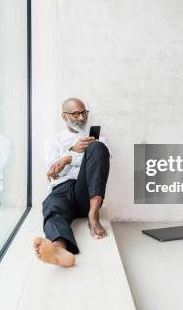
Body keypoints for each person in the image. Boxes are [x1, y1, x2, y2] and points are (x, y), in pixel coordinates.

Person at [33, 98, 111, 267]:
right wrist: (72, 151)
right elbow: (52, 172)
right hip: (62, 189)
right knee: (52, 208)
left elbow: (101, 162)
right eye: (76, 113)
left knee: (97, 148)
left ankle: (93, 216)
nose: (81, 117)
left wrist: (68, 158)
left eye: (84, 112)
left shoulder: (97, 139)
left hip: (87, 193)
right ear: (64, 116)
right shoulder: (53, 140)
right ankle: (58, 249)